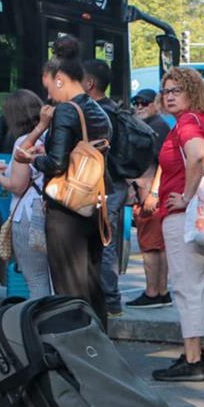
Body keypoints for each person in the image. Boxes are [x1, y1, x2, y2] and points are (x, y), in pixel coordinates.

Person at [14, 36, 113, 324]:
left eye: (48, 86)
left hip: (66, 210)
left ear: (59, 79)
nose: (47, 95)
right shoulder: (97, 110)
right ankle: (97, 345)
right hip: (93, 205)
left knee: (68, 285)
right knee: (91, 283)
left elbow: (56, 163)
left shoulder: (67, 111)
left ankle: (76, 347)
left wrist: (32, 159)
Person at [149, 67, 204, 382]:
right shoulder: (203, 122)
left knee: (187, 286)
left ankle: (193, 359)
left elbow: (198, 157)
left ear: (192, 93)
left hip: (186, 217)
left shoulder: (186, 124)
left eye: (176, 90)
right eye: (166, 90)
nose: (169, 96)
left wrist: (187, 195)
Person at [0, 89, 52, 299]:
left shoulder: (23, 142)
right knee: (50, 278)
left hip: (28, 217)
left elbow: (17, 185)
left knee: (36, 280)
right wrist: (8, 168)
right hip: (49, 213)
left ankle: (39, 327)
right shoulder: (49, 137)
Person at [76, 59, 129, 317]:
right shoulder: (114, 110)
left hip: (104, 186)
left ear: (90, 83)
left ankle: (109, 300)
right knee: (105, 241)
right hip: (113, 185)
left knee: (104, 242)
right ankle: (107, 299)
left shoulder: (97, 113)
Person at [128, 89, 173, 307]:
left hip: (150, 195)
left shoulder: (156, 127)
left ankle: (153, 292)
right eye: (135, 102)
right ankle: (161, 291)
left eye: (144, 102)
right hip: (150, 193)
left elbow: (163, 162)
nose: (139, 106)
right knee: (157, 245)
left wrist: (154, 192)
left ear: (155, 103)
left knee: (150, 245)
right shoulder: (156, 125)